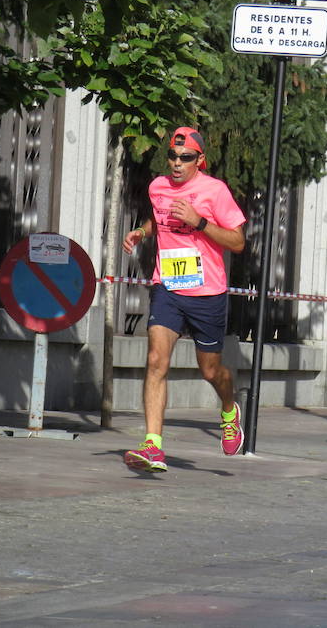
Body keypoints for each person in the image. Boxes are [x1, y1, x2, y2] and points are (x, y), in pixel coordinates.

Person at [121, 127, 247, 472]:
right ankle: (153, 445)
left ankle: (229, 409)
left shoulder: (214, 191)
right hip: (168, 288)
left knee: (211, 370)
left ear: (200, 161)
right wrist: (142, 231)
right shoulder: (157, 187)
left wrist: (199, 221)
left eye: (186, 158)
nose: (177, 164)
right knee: (156, 360)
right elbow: (159, 218)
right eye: (173, 157)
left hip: (207, 293)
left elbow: (237, 242)